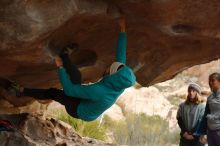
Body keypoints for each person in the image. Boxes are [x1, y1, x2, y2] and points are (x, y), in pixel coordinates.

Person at [7, 16, 136, 121]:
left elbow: (69, 90)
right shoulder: (120, 81)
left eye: (110, 68)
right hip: (89, 101)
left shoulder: (100, 91)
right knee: (77, 77)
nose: (109, 66)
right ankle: (64, 55)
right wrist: (122, 29)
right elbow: (121, 55)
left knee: (54, 92)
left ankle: (21, 91)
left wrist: (61, 68)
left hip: (79, 110)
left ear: (112, 76)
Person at [195, 73, 220, 146]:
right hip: (210, 132)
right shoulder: (209, 97)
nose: (210, 83)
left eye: (213, 80)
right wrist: (202, 133)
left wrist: (213, 117)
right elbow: (206, 114)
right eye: (209, 81)